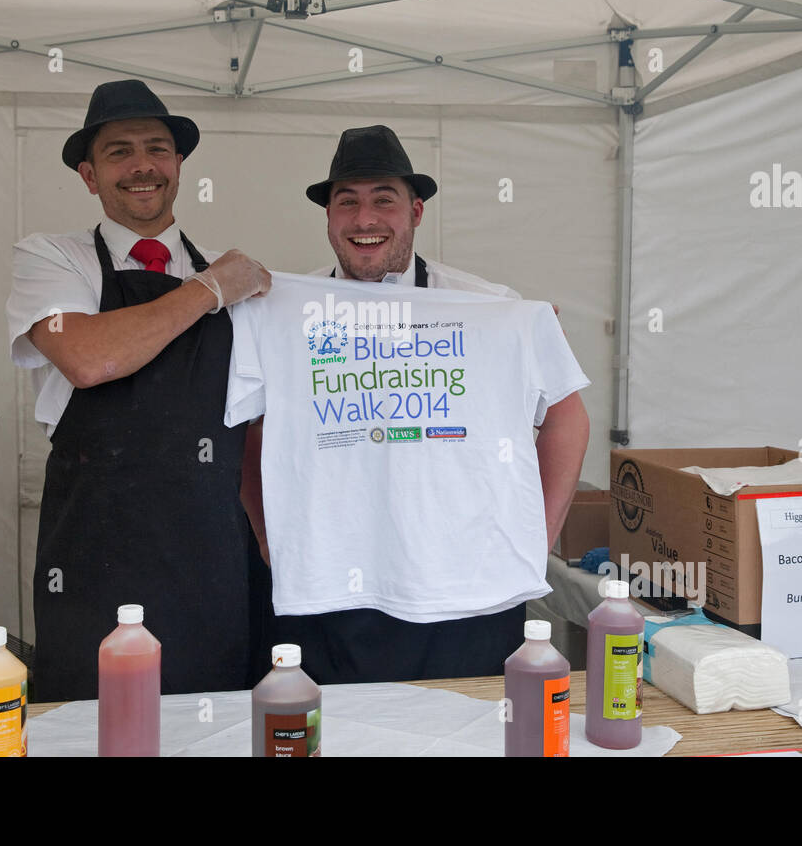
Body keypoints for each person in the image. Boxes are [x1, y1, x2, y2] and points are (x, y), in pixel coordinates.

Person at [239, 124, 591, 684]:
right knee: (335, 736)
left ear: (417, 212)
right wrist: (266, 533)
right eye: (346, 201)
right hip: (333, 585)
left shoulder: (487, 307)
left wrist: (535, 539)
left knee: (469, 735)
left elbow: (567, 417)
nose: (365, 219)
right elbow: (252, 428)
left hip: (466, 589)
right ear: (328, 216)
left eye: (385, 200)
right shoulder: (284, 315)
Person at [5, 79, 271, 700]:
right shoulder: (53, 259)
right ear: (89, 176)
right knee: (93, 722)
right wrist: (208, 290)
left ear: (178, 166)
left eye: (157, 148)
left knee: (215, 724)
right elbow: (87, 357)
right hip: (96, 549)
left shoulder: (238, 287)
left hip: (212, 551)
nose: (142, 165)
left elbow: (258, 426)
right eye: (119, 151)